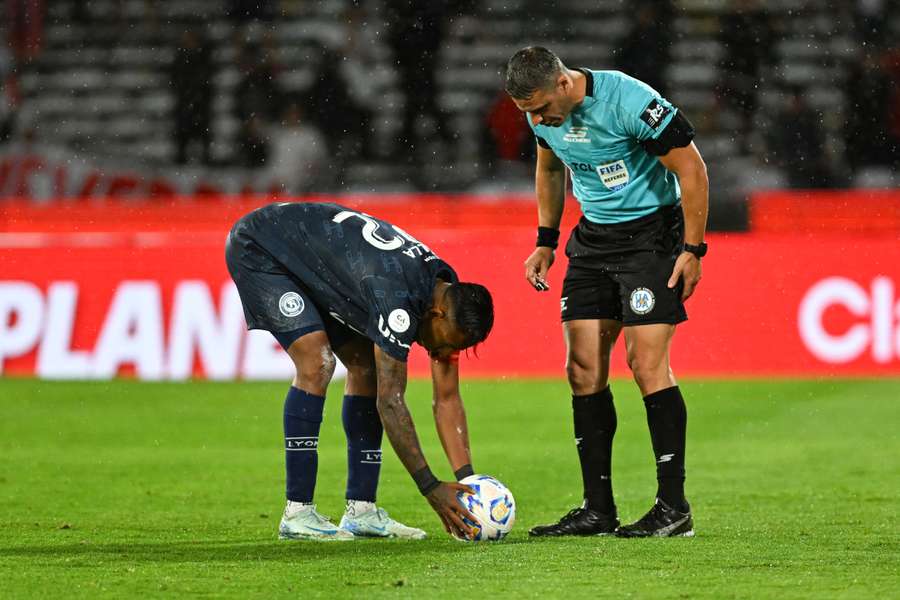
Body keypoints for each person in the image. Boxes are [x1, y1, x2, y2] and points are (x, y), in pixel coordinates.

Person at [504, 47, 709, 537]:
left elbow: (693, 170)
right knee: (582, 369)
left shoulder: (629, 100)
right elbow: (550, 170)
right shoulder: (544, 118)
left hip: (652, 239)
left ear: (562, 83)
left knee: (645, 364)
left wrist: (694, 248)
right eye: (527, 114)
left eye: (538, 108)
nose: (536, 120)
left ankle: (673, 507)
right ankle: (598, 509)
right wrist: (545, 241)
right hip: (593, 239)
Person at [225, 201, 494, 541]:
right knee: (317, 363)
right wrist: (430, 487)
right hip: (264, 246)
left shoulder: (446, 289)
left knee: (366, 368)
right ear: (438, 314)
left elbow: (447, 397)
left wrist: (469, 484)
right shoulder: (399, 300)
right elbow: (391, 403)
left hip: (318, 261)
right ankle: (298, 512)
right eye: (446, 344)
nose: (442, 353)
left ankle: (362, 511)